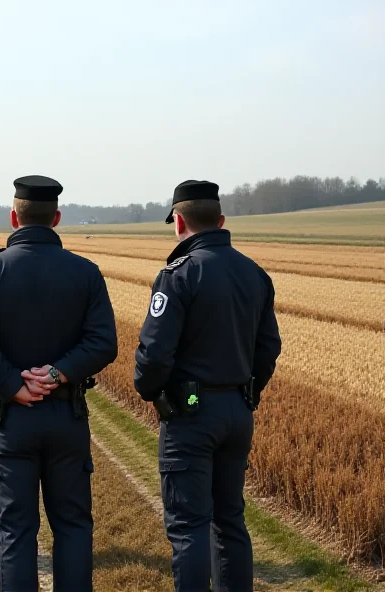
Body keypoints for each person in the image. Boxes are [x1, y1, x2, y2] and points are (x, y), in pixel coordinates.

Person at [0, 176, 118, 591]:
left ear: (14, 218)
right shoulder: (85, 272)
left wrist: (14, 384)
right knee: (73, 525)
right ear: (57, 218)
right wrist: (58, 373)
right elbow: (104, 343)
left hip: (13, 420)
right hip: (67, 415)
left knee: (15, 530)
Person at [134, 180, 281, 592]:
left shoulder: (178, 276)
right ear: (220, 220)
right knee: (230, 520)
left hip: (190, 415)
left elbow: (154, 356)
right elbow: (269, 347)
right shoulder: (255, 273)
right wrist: (249, 389)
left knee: (188, 526)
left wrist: (150, 391)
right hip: (238, 411)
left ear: (178, 221)